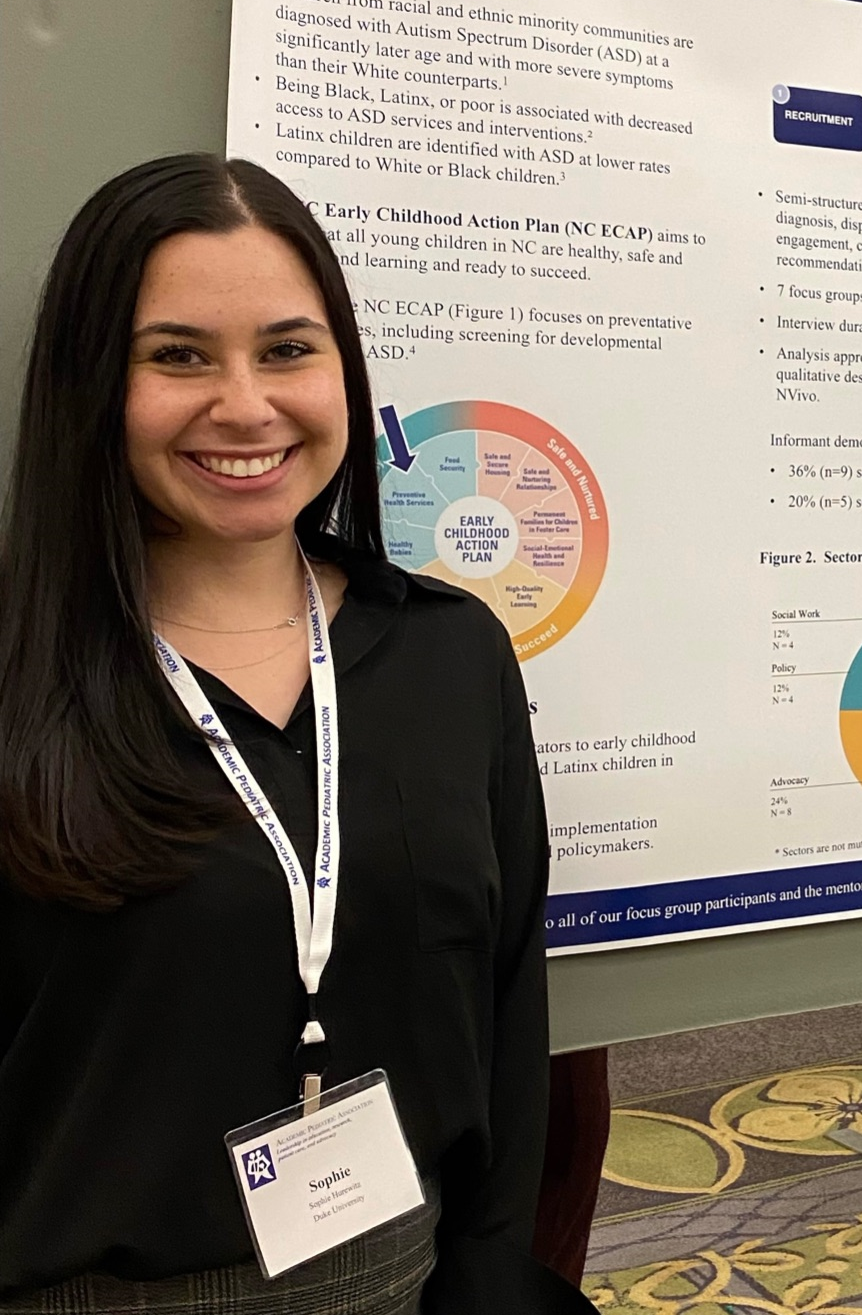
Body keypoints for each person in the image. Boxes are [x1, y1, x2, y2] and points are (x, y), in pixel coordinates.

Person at [0, 156, 589, 1312]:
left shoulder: (447, 652)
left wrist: (485, 1263)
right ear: (91, 382)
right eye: (177, 355)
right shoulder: (24, 674)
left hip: (402, 1281)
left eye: (286, 348)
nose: (246, 405)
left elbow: (508, 999)